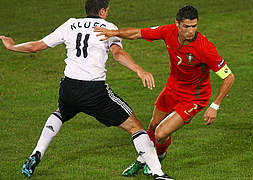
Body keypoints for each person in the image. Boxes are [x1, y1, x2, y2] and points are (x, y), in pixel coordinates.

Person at [0, 0, 173, 179]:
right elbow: (118, 54)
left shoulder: (70, 24)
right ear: (103, 11)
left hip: (69, 87)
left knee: (61, 112)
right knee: (135, 127)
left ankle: (36, 153)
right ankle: (158, 173)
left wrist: (12, 46)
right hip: (94, 91)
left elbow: (37, 46)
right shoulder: (107, 27)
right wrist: (140, 70)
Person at [94, 5, 235, 177]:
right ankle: (143, 159)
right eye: (186, 26)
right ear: (177, 24)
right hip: (172, 89)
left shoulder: (205, 48)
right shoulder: (168, 32)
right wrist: (114, 33)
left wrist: (215, 106)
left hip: (194, 98)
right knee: (152, 126)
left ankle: (158, 157)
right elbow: (138, 33)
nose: (191, 31)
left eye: (194, 26)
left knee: (161, 133)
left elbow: (229, 77)